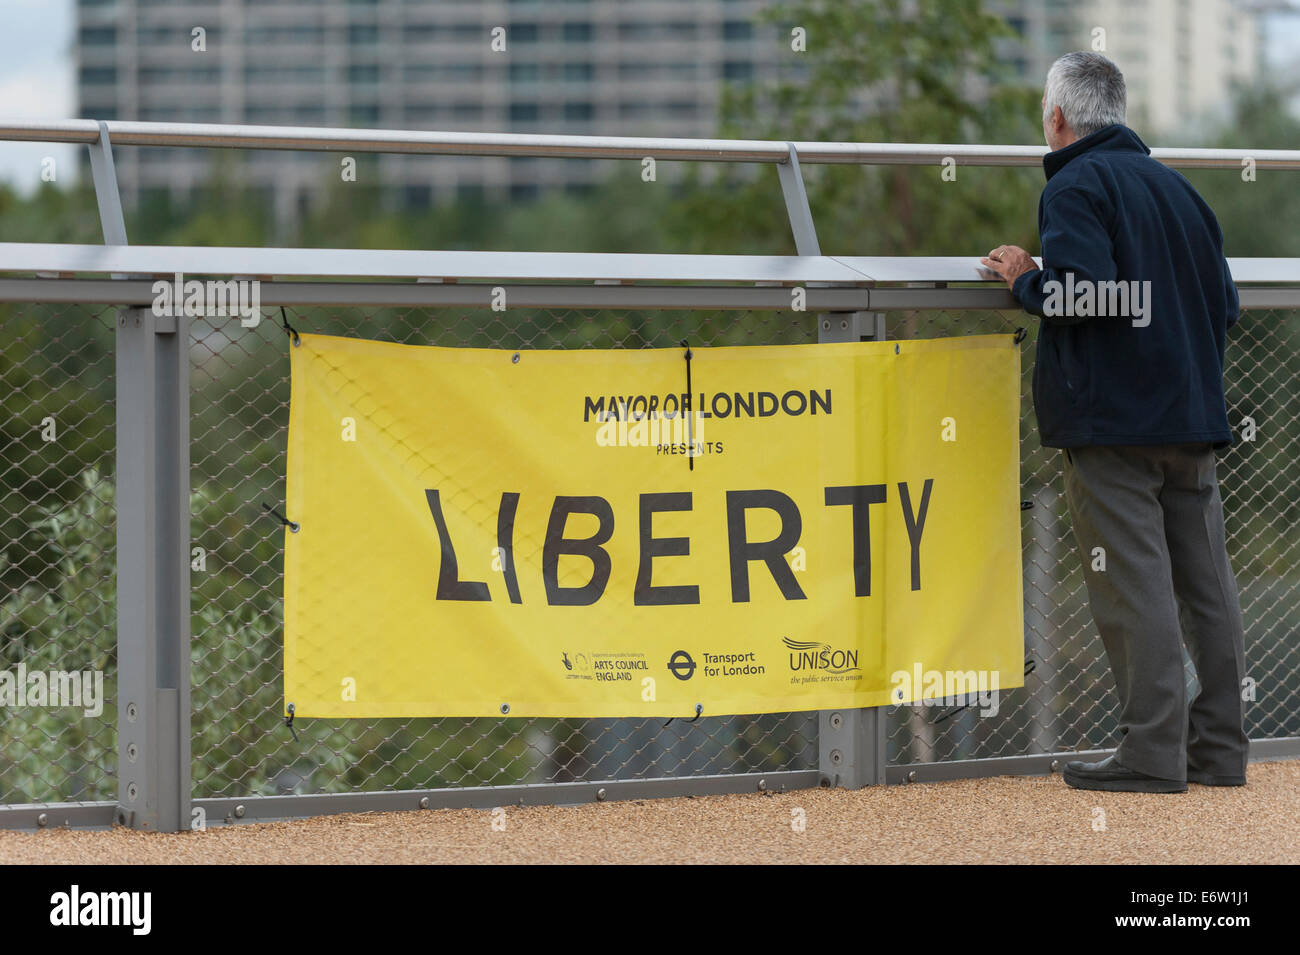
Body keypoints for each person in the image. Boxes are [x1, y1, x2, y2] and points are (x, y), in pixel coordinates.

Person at [979, 51, 1249, 793]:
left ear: (1058, 118)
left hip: (1114, 426)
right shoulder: (1181, 191)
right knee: (1206, 587)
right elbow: (1224, 305)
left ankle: (1151, 754)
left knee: (1135, 588)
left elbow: (1085, 297)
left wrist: (1022, 277)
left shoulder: (1076, 184)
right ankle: (1221, 751)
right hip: (1194, 418)